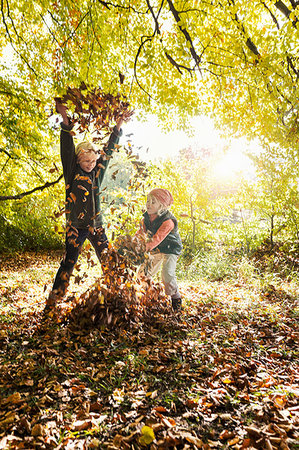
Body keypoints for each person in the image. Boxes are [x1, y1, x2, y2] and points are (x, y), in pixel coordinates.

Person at [46, 99, 127, 310]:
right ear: (78, 161)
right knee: (68, 263)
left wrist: (118, 126)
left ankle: (118, 296)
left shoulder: (97, 175)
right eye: (86, 162)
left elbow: (108, 152)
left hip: (96, 225)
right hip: (75, 227)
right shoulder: (72, 173)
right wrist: (65, 119)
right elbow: (66, 147)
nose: (90, 165)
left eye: (92, 162)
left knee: (109, 260)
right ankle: (54, 300)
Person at [137, 188, 183, 311]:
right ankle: (144, 297)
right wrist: (133, 243)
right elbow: (140, 234)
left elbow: (157, 238)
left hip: (170, 248)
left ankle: (176, 298)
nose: (148, 204)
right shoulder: (145, 219)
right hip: (156, 248)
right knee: (143, 273)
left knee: (167, 274)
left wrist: (142, 248)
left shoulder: (168, 221)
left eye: (153, 202)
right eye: (148, 201)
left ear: (162, 205)